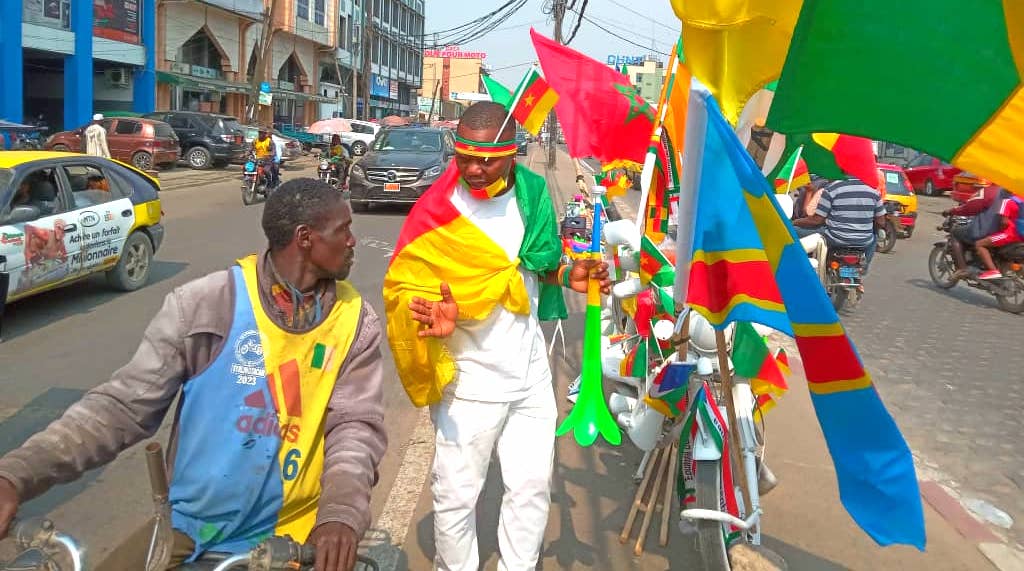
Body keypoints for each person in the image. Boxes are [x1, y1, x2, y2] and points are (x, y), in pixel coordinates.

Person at [0, 179, 386, 571]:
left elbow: (355, 429)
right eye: (344, 230)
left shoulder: (355, 321)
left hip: (296, 536)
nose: (353, 241)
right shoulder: (207, 305)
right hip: (192, 525)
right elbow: (120, 409)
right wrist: (15, 475)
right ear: (305, 238)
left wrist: (339, 514)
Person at [383, 101, 610, 571]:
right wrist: (440, 317)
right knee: (456, 495)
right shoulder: (437, 209)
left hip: (528, 375)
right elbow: (404, 283)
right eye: (464, 156)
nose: (474, 168)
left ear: (512, 153)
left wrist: (571, 277)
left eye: (487, 159)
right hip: (469, 381)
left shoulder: (531, 192)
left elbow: (537, 267)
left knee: (530, 488)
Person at [793, 175, 886, 273]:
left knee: (795, 231)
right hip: (863, 241)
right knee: (874, 238)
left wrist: (794, 223)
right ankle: (863, 269)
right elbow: (881, 222)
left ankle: (805, 270)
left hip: (835, 238)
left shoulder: (832, 189)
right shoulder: (874, 192)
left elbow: (817, 220)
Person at [941, 184, 1005, 280]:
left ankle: (962, 269)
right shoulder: (1016, 193)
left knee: (955, 233)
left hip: (985, 231)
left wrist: (952, 211)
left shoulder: (990, 191)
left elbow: (969, 207)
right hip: (1006, 233)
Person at [973, 191, 1022, 280]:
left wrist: (999, 230)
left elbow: (1004, 222)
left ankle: (993, 271)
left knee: (979, 244)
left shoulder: (1008, 201)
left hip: (1010, 234)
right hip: (1021, 237)